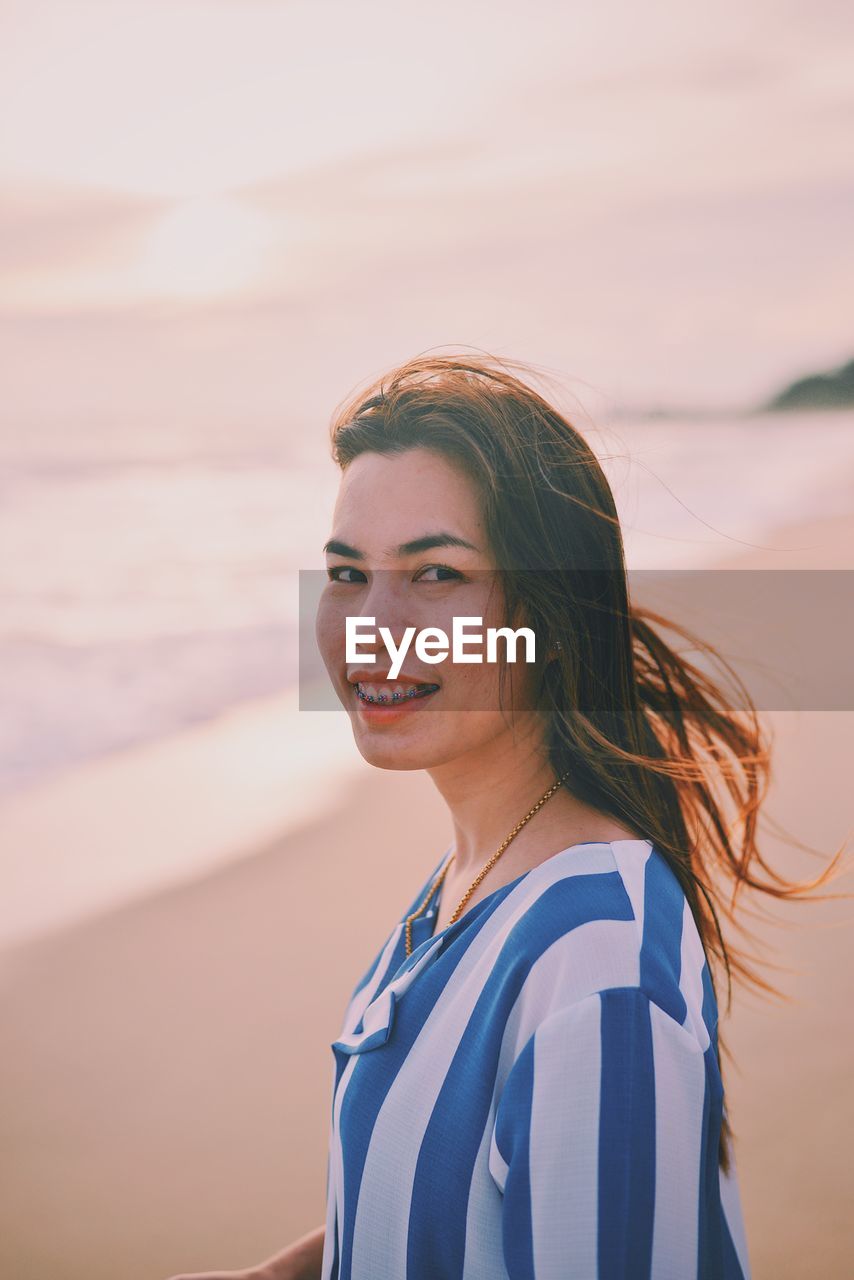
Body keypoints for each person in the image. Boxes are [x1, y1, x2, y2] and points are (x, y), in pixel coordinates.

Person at [168, 352, 847, 1280]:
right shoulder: (475, 882)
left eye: (436, 574)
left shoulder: (592, 965)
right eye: (345, 571)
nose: (373, 623)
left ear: (548, 615)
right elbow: (452, 1203)